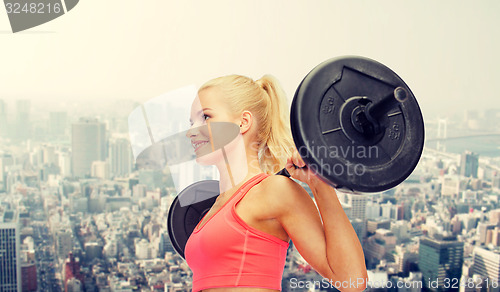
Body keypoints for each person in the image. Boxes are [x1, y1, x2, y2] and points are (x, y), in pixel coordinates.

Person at [184, 74, 367, 292]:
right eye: (191, 122)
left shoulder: (274, 191)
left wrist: (320, 185)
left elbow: (352, 281)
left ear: (243, 123)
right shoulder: (214, 207)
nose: (191, 131)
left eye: (205, 117)